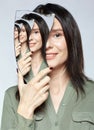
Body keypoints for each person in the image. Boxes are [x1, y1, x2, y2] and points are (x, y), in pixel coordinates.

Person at [1, 3, 94, 130]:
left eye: (56, 35)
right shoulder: (12, 97)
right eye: (39, 34)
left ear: (71, 39)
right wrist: (25, 108)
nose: (47, 44)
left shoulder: (92, 93)